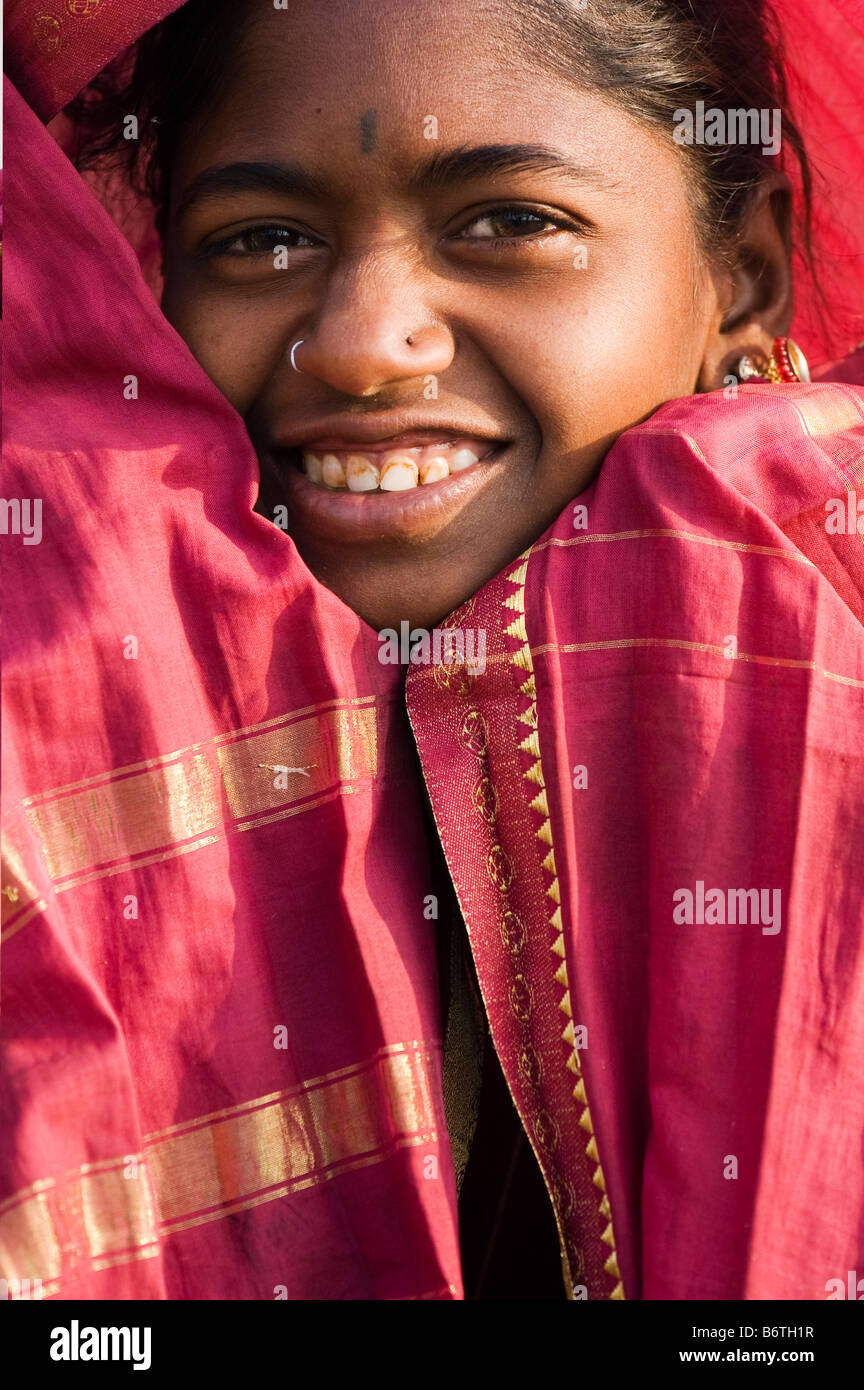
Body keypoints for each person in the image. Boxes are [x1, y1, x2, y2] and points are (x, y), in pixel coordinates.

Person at [2, 0, 863, 1300]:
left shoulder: (827, 663)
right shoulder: (53, 757)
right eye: (264, 239)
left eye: (508, 222)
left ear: (740, 280)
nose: (359, 341)